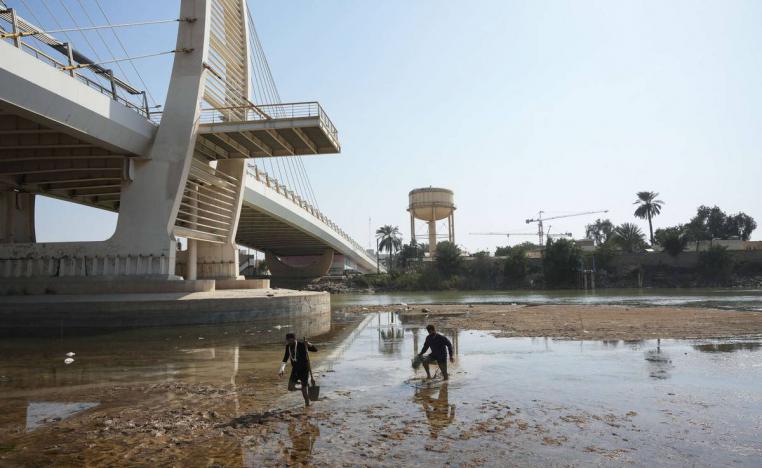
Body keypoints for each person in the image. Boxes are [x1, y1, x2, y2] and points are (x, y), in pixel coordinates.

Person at [279, 333, 318, 406]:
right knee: (290, 387)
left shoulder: (302, 345)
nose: (290, 342)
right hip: (295, 369)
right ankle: (303, 388)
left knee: (305, 393)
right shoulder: (288, 347)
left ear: (295, 339)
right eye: (288, 341)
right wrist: (281, 369)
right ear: (286, 340)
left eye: (291, 340)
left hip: (304, 369)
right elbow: (285, 358)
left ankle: (307, 404)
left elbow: (315, 350)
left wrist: (309, 344)